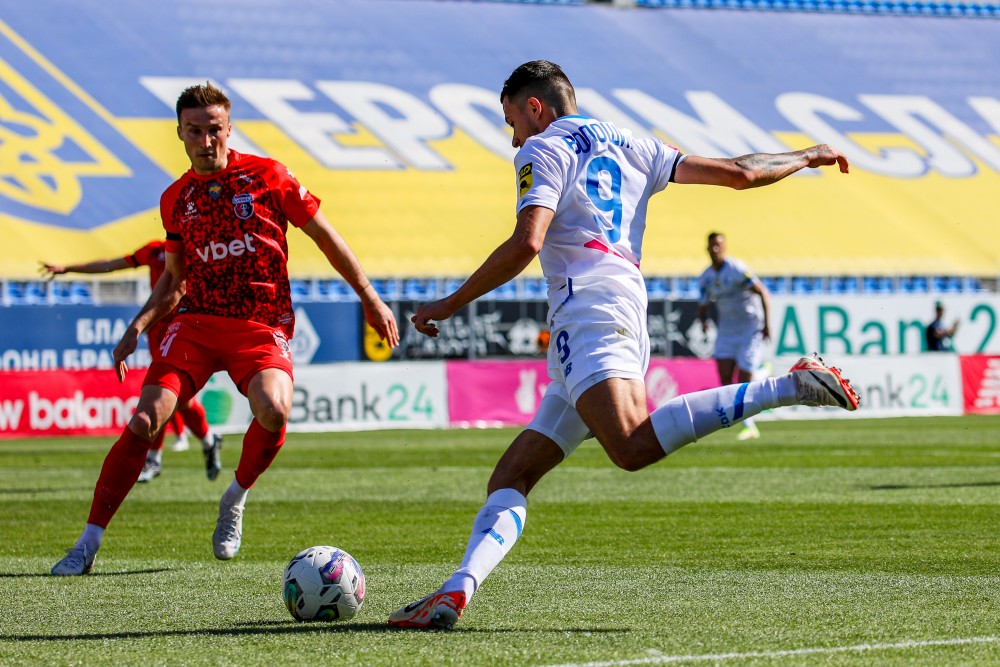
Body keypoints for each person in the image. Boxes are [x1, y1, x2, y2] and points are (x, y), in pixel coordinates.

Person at [388, 60, 860, 629]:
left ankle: (791, 386)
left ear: (535, 107)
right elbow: (740, 173)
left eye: (512, 121)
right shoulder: (635, 143)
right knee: (511, 476)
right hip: (620, 306)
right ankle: (456, 591)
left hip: (588, 310)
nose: (513, 138)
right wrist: (807, 155)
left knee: (631, 446)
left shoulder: (543, 149)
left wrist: (448, 303)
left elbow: (527, 242)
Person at [51, 83, 400, 576]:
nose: (205, 140)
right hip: (195, 324)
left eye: (214, 129)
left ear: (229, 128)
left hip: (260, 325)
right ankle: (87, 544)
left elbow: (326, 237)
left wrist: (369, 296)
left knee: (274, 410)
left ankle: (234, 496)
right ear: (180, 133)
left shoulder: (268, 176)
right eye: (194, 131)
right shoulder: (176, 199)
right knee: (146, 420)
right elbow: (174, 279)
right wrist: (138, 325)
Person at [41, 244, 224, 483]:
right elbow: (111, 264)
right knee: (168, 394)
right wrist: (69, 269)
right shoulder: (155, 250)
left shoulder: (197, 246)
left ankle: (170, 453)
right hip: (158, 329)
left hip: (186, 326)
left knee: (173, 396)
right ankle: (202, 443)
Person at [696, 232, 771, 441]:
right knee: (726, 379)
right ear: (707, 249)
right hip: (727, 330)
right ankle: (760, 379)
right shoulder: (705, 278)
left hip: (749, 327)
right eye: (712, 246)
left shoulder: (737, 269)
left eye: (719, 245)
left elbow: (763, 292)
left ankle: (750, 422)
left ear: (725, 248)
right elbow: (702, 303)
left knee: (744, 381)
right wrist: (703, 321)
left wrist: (767, 325)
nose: (716, 249)